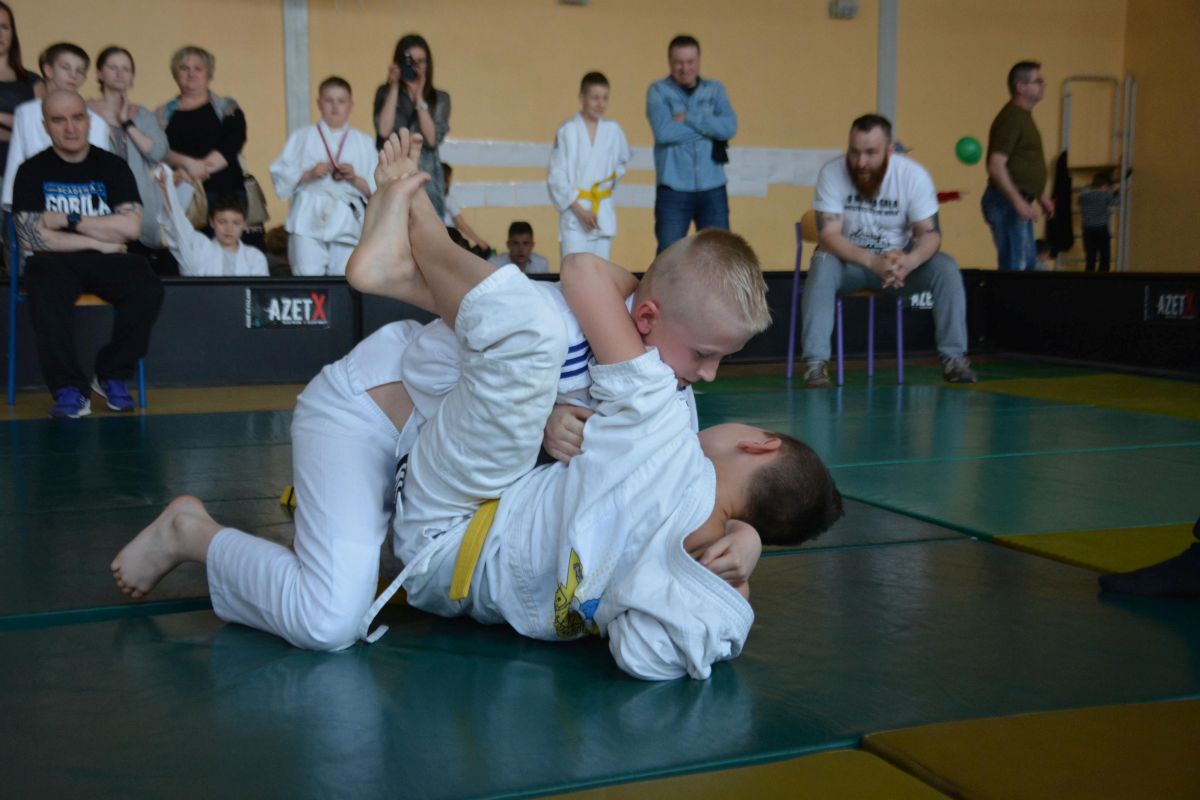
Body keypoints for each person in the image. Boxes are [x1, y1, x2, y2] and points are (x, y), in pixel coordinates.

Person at [111, 131, 842, 680]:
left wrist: (747, 538)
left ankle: (191, 532)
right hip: (369, 418)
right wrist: (543, 412)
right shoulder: (573, 326)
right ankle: (410, 236)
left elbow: (678, 511)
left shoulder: (669, 412)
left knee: (332, 621)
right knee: (530, 331)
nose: (707, 376)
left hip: (446, 486)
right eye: (704, 353)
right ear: (646, 317)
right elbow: (577, 281)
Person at [11, 90, 163, 417]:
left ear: (88, 121)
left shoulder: (112, 166)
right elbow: (29, 236)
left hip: (105, 260)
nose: (70, 128)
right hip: (55, 262)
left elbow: (130, 228)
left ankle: (111, 373)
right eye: (59, 120)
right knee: (42, 280)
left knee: (146, 283)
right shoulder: (31, 171)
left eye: (77, 118)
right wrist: (98, 241)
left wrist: (65, 220)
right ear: (45, 126)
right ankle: (69, 388)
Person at [800, 114, 976, 388]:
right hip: (851, 264)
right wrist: (871, 261)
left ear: (890, 151)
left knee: (946, 267)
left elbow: (930, 234)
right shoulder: (832, 173)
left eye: (871, 153)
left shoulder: (914, 176)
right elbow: (829, 235)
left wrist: (909, 261)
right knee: (823, 261)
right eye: (855, 152)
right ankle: (815, 365)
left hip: (899, 267)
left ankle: (954, 359)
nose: (861, 162)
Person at [269, 76, 376, 276]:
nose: (335, 107)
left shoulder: (364, 142)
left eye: (341, 101)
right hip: (307, 215)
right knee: (308, 277)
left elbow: (377, 187)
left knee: (344, 277)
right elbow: (280, 174)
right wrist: (308, 174)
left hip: (346, 217)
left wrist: (354, 178)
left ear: (350, 105)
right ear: (319, 103)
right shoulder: (302, 137)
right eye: (329, 100)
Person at [156, 45, 256, 244]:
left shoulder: (227, 107)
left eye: (198, 68)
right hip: (184, 197)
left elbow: (232, 143)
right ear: (175, 74)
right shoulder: (162, 115)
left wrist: (196, 171)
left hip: (227, 196)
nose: (191, 74)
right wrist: (187, 164)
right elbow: (158, 149)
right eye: (184, 68)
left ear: (208, 74)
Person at [646, 35, 737, 253]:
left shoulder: (715, 90)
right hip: (673, 190)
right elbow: (664, 132)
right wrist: (709, 129)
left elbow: (729, 127)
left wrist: (689, 118)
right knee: (669, 255)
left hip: (713, 188)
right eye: (679, 62)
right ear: (669, 61)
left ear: (699, 61)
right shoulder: (658, 91)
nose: (685, 68)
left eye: (690, 61)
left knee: (720, 254)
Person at [89, 46, 171, 267]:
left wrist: (126, 122)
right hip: (98, 206)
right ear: (99, 73)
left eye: (126, 69)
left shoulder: (143, 115)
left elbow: (158, 152)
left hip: (140, 206)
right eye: (113, 67)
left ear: (132, 77)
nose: (120, 73)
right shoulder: (85, 112)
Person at [2, 43, 110, 209]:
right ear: (48, 70)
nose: (73, 75)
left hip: (81, 203)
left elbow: (100, 170)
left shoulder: (96, 122)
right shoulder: (26, 113)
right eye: (66, 68)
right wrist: (10, 202)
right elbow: (16, 159)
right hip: (33, 201)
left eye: (80, 71)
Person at [548, 71, 632, 260]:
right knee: (574, 270)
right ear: (582, 98)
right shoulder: (567, 131)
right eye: (595, 98)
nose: (600, 104)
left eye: (605, 98)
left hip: (602, 212)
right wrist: (579, 211)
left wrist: (609, 183)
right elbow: (556, 176)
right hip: (574, 215)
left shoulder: (613, 130)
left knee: (601, 271)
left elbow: (623, 162)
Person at [982, 60, 1054, 271]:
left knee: (1026, 266)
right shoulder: (1012, 118)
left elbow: (1021, 163)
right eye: (1038, 81)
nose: (1043, 84)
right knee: (1017, 268)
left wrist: (1040, 195)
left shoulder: (1023, 118)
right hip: (1006, 203)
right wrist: (1017, 201)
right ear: (1021, 87)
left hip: (1017, 202)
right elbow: (996, 165)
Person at [373, 34, 449, 217]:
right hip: (393, 177)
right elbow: (383, 130)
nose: (415, 67)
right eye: (410, 61)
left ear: (428, 64)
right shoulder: (385, 93)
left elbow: (432, 140)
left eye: (421, 62)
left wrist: (419, 97)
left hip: (428, 181)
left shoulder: (440, 98)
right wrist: (394, 87)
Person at [157, 166, 268, 277]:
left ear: (244, 224)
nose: (229, 229)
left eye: (236, 223)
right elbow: (178, 227)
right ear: (212, 222)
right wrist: (168, 191)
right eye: (222, 222)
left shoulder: (255, 257)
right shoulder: (199, 248)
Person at [0, 1, 43, 212]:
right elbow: (27, 130)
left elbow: (42, 127)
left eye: (4, 27)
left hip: (22, 172)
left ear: (13, 33)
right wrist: (18, 130)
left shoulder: (32, 81)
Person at [440, 163, 490, 254]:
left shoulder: (426, 200)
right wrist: (479, 241)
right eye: (450, 179)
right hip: (450, 236)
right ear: (445, 181)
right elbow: (461, 224)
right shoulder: (448, 200)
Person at [1078, 172, 1117, 273]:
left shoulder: (1084, 195)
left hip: (1087, 230)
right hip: (1101, 229)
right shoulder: (1105, 195)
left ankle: (1088, 280)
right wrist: (1116, 191)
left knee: (1090, 259)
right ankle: (1102, 280)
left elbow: (1082, 196)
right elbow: (1116, 201)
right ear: (1103, 186)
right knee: (1105, 259)